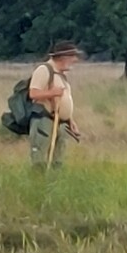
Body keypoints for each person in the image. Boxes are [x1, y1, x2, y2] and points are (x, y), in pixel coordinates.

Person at [28, 41, 83, 169]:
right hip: (44, 121)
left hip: (60, 123)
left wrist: (70, 120)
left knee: (57, 161)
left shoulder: (61, 74)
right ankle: (39, 183)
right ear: (63, 58)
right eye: (72, 56)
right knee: (40, 160)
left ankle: (54, 183)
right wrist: (51, 93)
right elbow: (33, 94)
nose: (75, 60)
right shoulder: (44, 70)